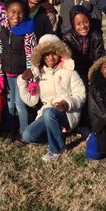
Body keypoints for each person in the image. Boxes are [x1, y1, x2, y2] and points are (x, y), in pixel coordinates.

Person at [18, 34, 86, 162]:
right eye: (47, 54)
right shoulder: (39, 74)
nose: (50, 58)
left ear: (60, 53)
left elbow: (81, 94)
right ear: (41, 56)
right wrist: (22, 81)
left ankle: (58, 149)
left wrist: (67, 103)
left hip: (67, 113)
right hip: (47, 113)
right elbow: (31, 101)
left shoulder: (69, 71)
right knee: (27, 135)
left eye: (54, 53)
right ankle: (57, 136)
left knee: (49, 112)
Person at [0, 0, 37, 145]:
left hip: (22, 76)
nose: (16, 15)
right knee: (10, 105)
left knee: (20, 105)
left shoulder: (28, 31)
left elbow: (32, 56)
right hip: (7, 75)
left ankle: (24, 132)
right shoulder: (2, 29)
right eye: (12, 12)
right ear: (6, 13)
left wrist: (32, 80)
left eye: (20, 12)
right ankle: (10, 130)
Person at [62, 5, 104, 138]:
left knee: (91, 95)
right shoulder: (67, 37)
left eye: (85, 22)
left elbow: (98, 59)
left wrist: (92, 75)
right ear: (73, 24)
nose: (83, 26)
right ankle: (71, 122)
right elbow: (67, 58)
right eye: (78, 23)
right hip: (74, 72)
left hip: (91, 71)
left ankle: (87, 123)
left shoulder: (96, 35)